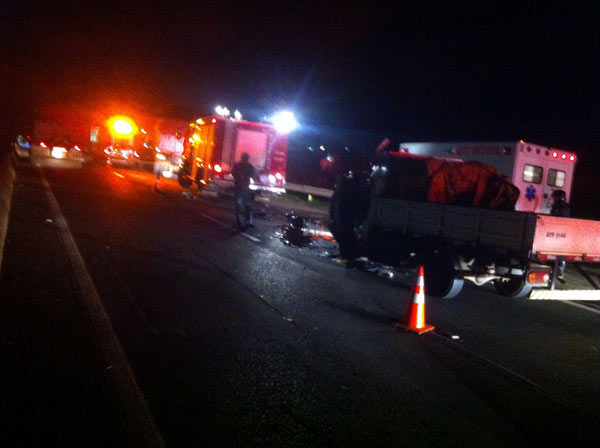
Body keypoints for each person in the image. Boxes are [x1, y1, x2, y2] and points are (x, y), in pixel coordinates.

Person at [550, 189, 570, 281]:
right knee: (561, 254)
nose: (553, 199)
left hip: (558, 233)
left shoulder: (559, 206)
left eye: (554, 197)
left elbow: (555, 219)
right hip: (564, 233)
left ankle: (556, 271)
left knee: (556, 253)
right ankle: (559, 272)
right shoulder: (566, 206)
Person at [232, 152, 255, 229]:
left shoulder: (238, 165)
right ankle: (247, 221)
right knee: (246, 205)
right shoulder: (248, 166)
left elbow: (233, 174)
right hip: (242, 188)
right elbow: (253, 176)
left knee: (240, 205)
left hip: (242, 188)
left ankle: (243, 221)